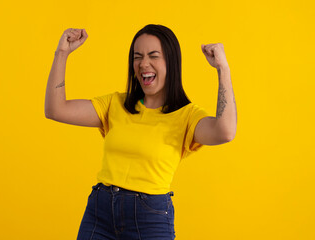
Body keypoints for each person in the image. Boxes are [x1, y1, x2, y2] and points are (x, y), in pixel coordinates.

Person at [45, 24, 237, 240]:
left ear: (171, 63)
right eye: (137, 56)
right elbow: (56, 110)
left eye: (153, 56)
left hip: (149, 220)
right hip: (100, 213)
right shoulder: (115, 104)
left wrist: (223, 69)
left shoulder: (186, 116)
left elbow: (225, 132)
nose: (143, 64)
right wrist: (62, 53)